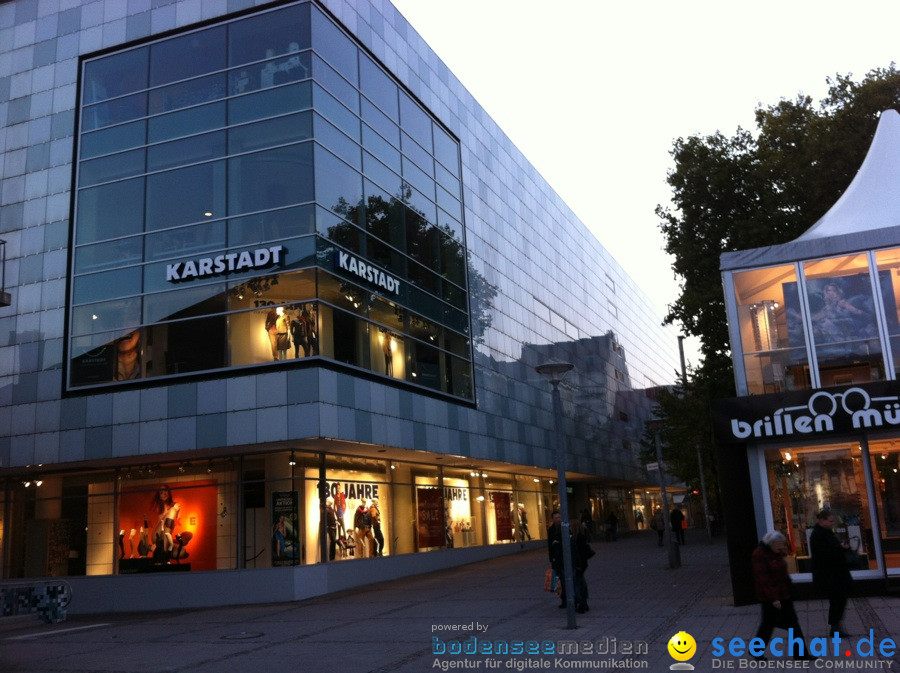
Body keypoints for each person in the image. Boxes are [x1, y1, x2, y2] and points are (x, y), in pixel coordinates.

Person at [751, 531, 814, 660]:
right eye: (779, 544)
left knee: (787, 624)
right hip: (771, 597)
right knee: (769, 624)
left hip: (784, 594)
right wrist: (773, 599)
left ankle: (800, 654)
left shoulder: (775, 552)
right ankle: (757, 650)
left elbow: (782, 573)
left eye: (782, 544)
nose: (781, 547)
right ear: (771, 542)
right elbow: (763, 580)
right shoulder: (760, 554)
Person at [810, 509, 853, 636]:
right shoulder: (819, 534)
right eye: (830, 521)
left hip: (834, 573)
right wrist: (841, 549)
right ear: (822, 520)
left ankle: (836, 626)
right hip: (831, 574)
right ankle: (835, 626)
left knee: (838, 599)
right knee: (837, 599)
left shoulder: (824, 532)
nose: (832, 523)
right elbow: (826, 554)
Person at [151, 484, 181, 563]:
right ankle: (164, 553)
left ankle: (164, 553)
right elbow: (162, 524)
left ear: (169, 492)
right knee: (173, 510)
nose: (164, 493)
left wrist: (175, 511)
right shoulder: (159, 507)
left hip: (167, 536)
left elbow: (173, 525)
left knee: (181, 551)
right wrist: (172, 510)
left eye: (165, 491)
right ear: (159, 496)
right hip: (157, 535)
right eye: (161, 492)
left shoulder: (174, 506)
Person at [571, 518, 593, 613]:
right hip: (582, 564)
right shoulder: (581, 536)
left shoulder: (577, 538)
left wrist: (578, 564)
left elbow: (579, 552)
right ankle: (583, 602)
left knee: (577, 584)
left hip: (579, 564)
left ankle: (581, 603)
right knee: (581, 583)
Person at [547, 511, 567, 608]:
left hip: (564, 557)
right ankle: (563, 599)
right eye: (556, 518)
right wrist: (551, 558)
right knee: (558, 580)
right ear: (553, 519)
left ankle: (570, 599)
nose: (558, 519)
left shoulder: (565, 527)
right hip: (556, 558)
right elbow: (550, 545)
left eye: (559, 517)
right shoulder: (551, 529)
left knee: (566, 578)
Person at [325, 497, 337, 561]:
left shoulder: (331, 509)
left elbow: (333, 516)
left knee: (334, 542)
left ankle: (333, 557)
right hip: (330, 527)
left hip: (334, 526)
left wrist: (336, 521)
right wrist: (326, 526)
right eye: (330, 502)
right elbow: (325, 518)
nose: (331, 503)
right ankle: (331, 557)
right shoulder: (326, 509)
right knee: (333, 540)